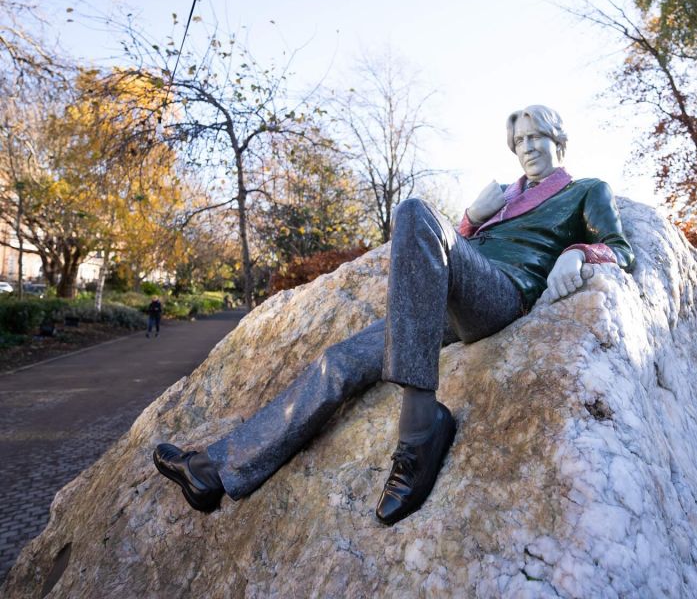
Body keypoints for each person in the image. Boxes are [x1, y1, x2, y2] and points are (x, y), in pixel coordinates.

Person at [152, 105, 636, 525]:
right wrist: (471, 216)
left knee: (415, 211)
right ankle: (213, 470)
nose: (528, 148)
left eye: (538, 138)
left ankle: (420, 427)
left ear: (560, 142)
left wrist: (576, 253)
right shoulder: (503, 199)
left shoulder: (586, 190)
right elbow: (445, 252)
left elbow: (620, 249)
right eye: (520, 140)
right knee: (339, 361)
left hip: (504, 295)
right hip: (447, 302)